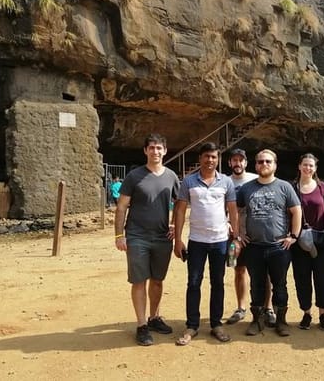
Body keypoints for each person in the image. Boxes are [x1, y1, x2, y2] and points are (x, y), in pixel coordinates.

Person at [114, 133, 180, 346]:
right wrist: (119, 235)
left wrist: (173, 225)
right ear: (145, 151)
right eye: (151, 147)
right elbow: (122, 206)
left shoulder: (171, 176)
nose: (155, 151)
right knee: (139, 280)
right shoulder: (134, 176)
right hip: (137, 236)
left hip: (162, 237)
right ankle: (142, 325)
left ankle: (154, 318)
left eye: (159, 148)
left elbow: (179, 204)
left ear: (165, 151)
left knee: (158, 280)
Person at [173, 142, 238, 346]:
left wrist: (235, 238)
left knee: (217, 283)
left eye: (214, 157)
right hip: (197, 241)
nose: (210, 160)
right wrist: (178, 239)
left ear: (218, 159)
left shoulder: (226, 181)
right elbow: (180, 211)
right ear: (200, 158)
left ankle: (216, 324)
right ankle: (192, 325)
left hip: (219, 240)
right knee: (193, 283)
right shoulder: (189, 182)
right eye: (206, 156)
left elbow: (233, 211)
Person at [237, 149, 302, 337]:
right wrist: (240, 232)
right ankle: (257, 320)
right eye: (260, 161)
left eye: (267, 161)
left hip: (278, 247)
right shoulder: (246, 188)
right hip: (254, 246)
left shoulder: (285, 187)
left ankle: (281, 321)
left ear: (275, 165)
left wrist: (294, 236)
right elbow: (239, 211)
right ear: (255, 165)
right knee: (256, 284)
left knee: (280, 284)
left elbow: (296, 211)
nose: (263, 164)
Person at [225, 149, 276, 327]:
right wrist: (233, 230)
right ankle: (241, 307)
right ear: (230, 163)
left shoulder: (255, 179)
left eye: (241, 160)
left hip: (256, 234)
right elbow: (224, 209)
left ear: (246, 163)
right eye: (234, 160)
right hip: (234, 236)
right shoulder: (225, 182)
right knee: (239, 270)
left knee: (265, 272)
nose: (237, 163)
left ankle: (268, 308)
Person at [292, 153, 324, 330]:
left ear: (315, 169)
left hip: (321, 239)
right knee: (301, 276)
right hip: (298, 240)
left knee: (322, 277)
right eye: (305, 165)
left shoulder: (322, 187)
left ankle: (323, 313)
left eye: (311, 165)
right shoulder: (291, 188)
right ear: (299, 166)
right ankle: (306, 313)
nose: (308, 168)